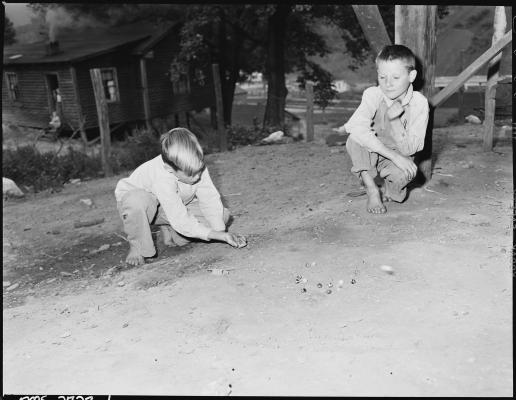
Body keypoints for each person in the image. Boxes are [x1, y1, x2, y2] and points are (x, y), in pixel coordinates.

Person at [115, 127, 247, 266]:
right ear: (170, 169)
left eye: (199, 170)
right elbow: (179, 217)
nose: (197, 177)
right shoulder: (161, 177)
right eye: (191, 174)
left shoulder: (195, 165)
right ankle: (138, 246)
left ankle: (169, 228)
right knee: (137, 201)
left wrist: (220, 233)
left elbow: (209, 199)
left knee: (223, 216)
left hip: (173, 204)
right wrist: (217, 235)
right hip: (140, 208)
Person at [336, 44, 429, 214]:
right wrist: (392, 155)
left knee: (406, 174)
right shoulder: (373, 94)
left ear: (411, 75)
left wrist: (395, 121)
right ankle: (372, 189)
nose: (388, 84)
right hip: (374, 148)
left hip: (400, 152)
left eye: (395, 77)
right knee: (355, 139)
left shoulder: (419, 103)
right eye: (382, 77)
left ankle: (390, 189)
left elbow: (412, 149)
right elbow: (357, 128)